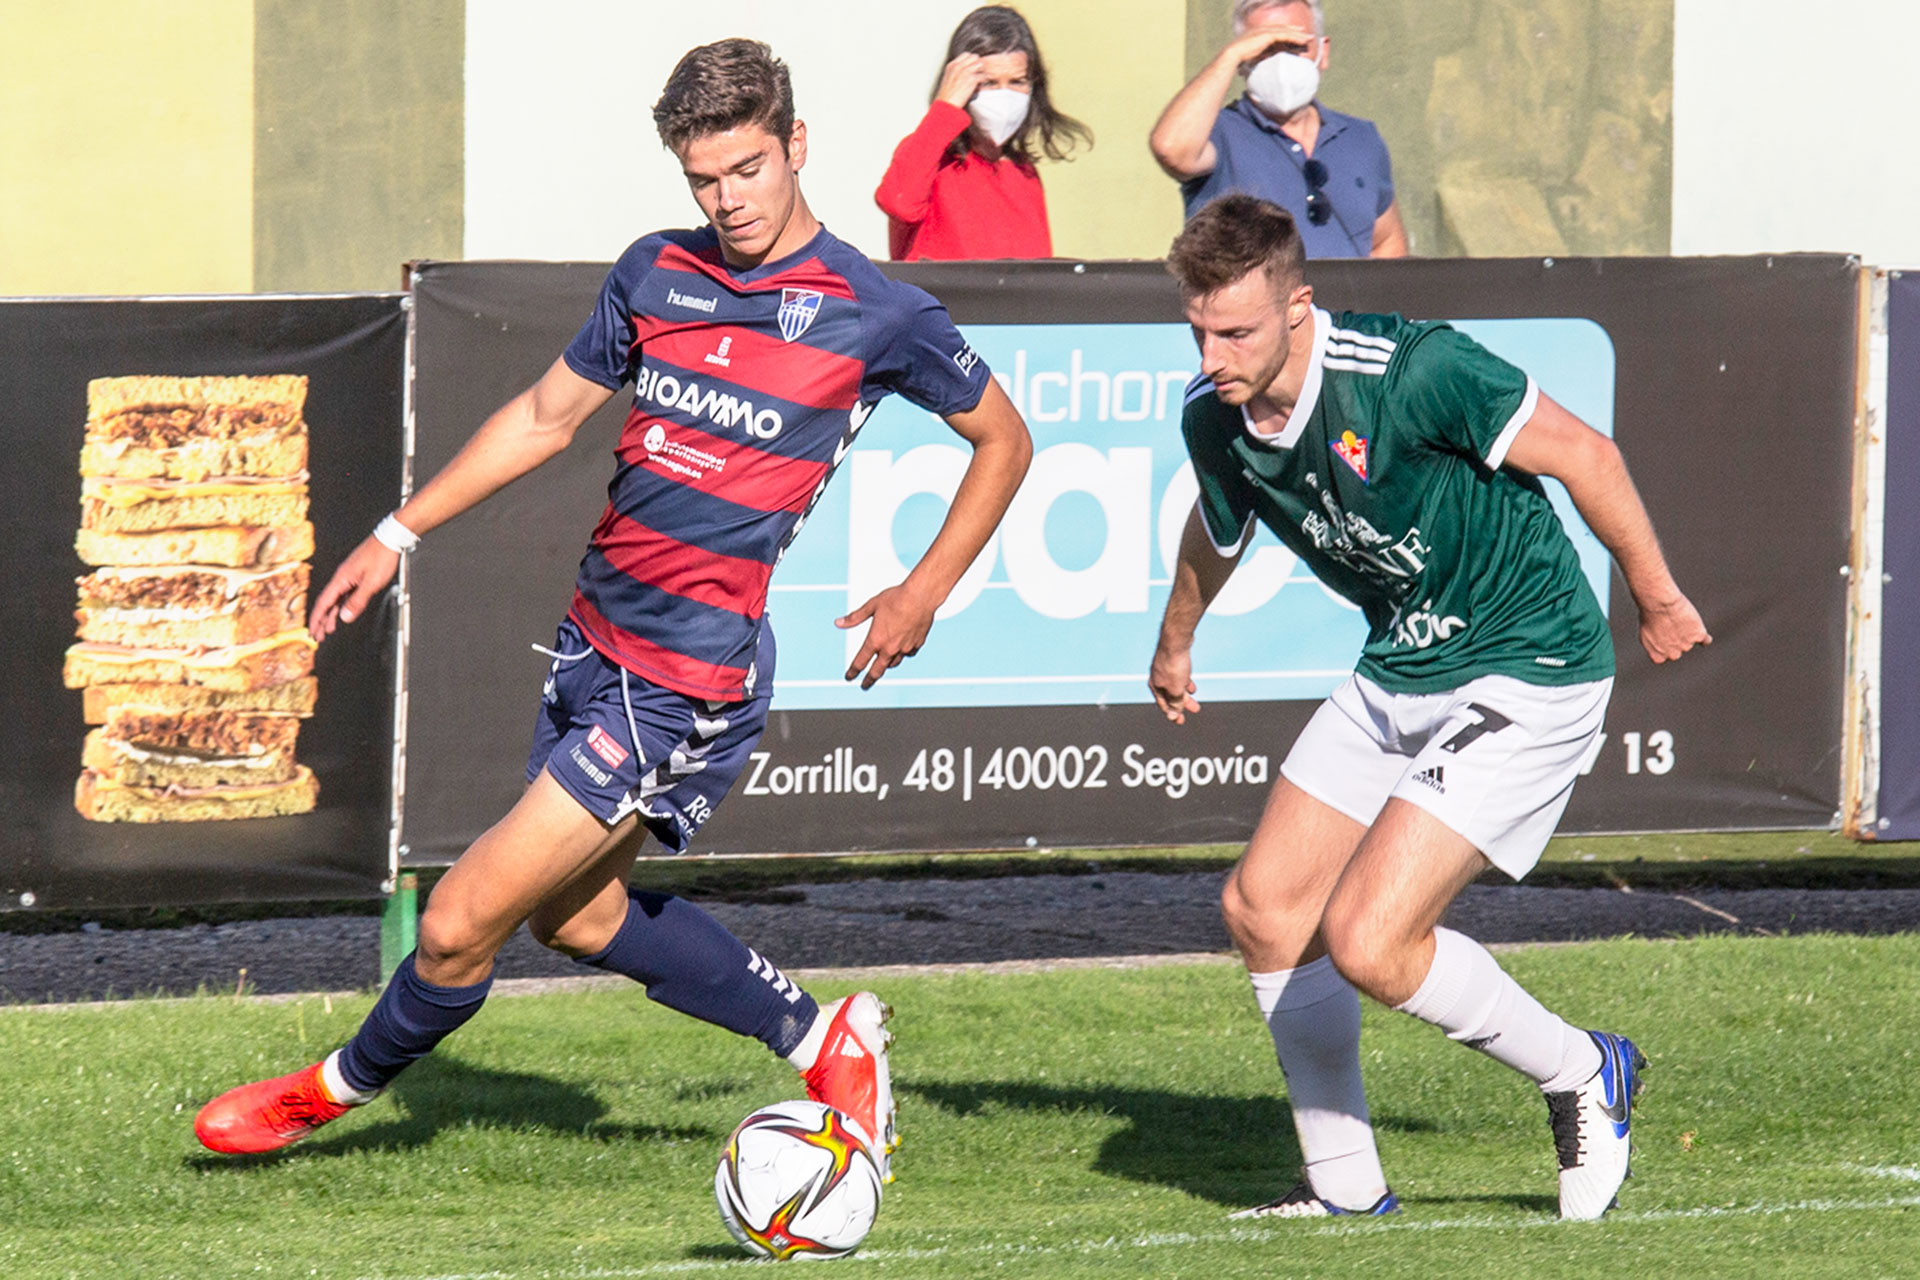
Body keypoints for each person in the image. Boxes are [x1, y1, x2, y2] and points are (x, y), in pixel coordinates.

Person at [193, 38, 1033, 1178]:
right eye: (704, 179)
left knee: (456, 923)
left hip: (686, 677)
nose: (729, 200)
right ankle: (820, 1037)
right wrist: (396, 534)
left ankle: (327, 1092)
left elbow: (1004, 439)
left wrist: (922, 590)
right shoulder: (655, 272)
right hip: (592, 641)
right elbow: (545, 417)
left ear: (796, 145)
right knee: (578, 919)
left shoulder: (875, 311)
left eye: (747, 169)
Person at [1150, 194, 1707, 1220]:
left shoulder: (1413, 370)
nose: (1214, 355)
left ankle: (1584, 1068)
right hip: (1403, 662)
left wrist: (1658, 597)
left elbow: (1587, 454)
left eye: (1236, 332)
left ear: (1298, 307)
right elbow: (1217, 530)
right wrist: (1176, 638)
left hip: (1530, 661)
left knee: (1369, 939)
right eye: (1199, 331)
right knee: (1265, 908)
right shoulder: (1213, 415)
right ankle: (1345, 1189)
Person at [1150, 0, 1407, 259]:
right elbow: (1172, 150)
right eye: (1265, 49)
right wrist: (1229, 57)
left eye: (1295, 46)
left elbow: (1386, 242)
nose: (1281, 62)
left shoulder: (1360, 139)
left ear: (1323, 52)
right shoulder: (1218, 134)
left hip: (1343, 288)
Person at [875, 5, 1091, 261]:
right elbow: (898, 202)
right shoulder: (932, 158)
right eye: (988, 83)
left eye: (1017, 82)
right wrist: (945, 107)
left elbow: (1034, 273)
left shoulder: (1023, 172)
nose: (1004, 95)